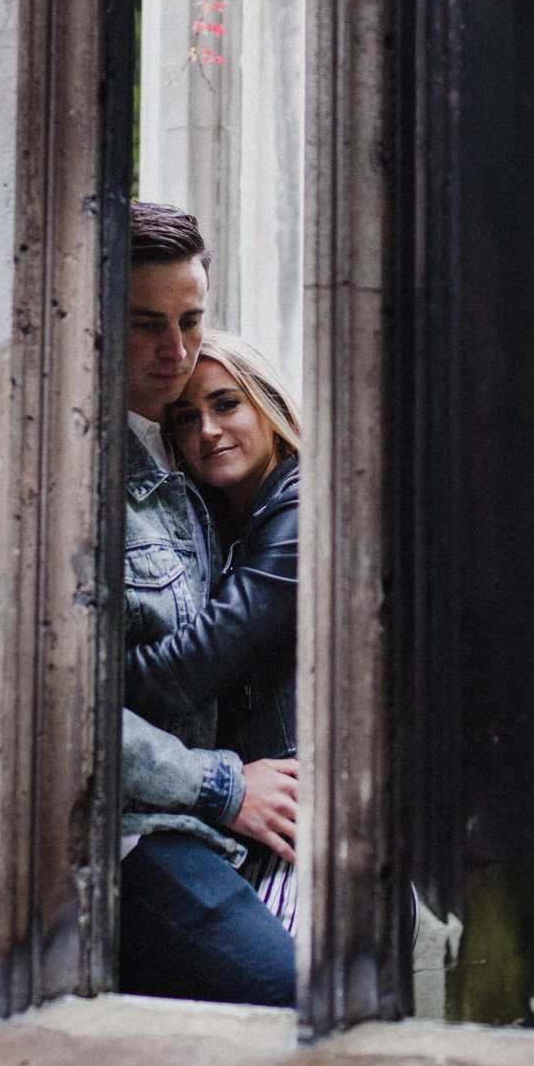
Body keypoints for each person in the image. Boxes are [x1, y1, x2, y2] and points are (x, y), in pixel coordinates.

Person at [114, 205, 299, 1006]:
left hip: (222, 817)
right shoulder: (91, 468)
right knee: (292, 994)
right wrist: (224, 784)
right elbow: (70, 707)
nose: (176, 352)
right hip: (141, 824)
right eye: (147, 324)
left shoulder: (208, 491)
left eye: (191, 320)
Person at [130, 331, 302, 939]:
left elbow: (202, 660)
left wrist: (84, 683)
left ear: (268, 406)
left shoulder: (303, 506)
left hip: (296, 829)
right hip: (246, 824)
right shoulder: (218, 520)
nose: (206, 430)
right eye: (186, 417)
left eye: (226, 404)